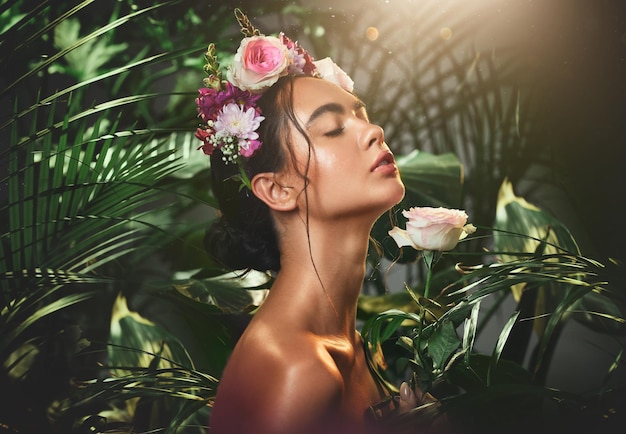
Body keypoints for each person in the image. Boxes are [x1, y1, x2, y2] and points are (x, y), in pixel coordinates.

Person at [195, 9, 430, 434]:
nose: (373, 130)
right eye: (333, 129)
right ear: (278, 190)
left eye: (360, 114)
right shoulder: (298, 371)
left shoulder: (347, 346)